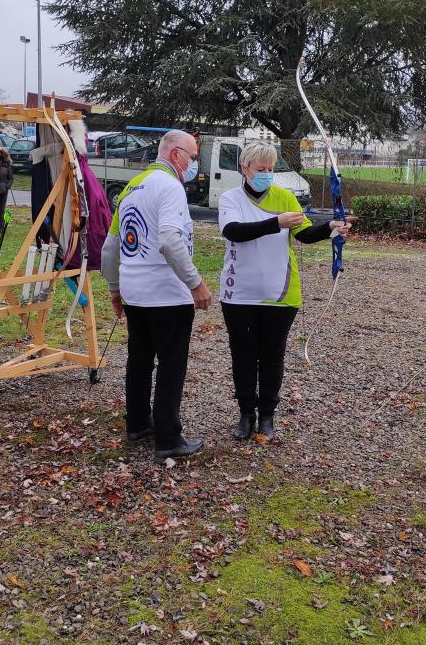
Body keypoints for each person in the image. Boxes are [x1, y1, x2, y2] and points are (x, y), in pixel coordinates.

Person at [219, 141, 353, 443]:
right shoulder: (230, 198)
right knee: (243, 355)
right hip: (238, 291)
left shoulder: (285, 198)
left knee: (271, 355)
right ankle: (245, 414)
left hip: (280, 292)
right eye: (260, 169)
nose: (267, 174)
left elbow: (303, 233)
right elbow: (234, 232)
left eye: (270, 169)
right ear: (245, 168)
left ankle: (267, 415)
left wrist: (330, 227)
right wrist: (274, 222)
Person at [101, 129, 212, 462]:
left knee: (139, 361)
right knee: (171, 365)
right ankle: (168, 437)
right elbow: (168, 239)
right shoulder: (170, 187)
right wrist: (195, 283)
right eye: (193, 157)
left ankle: (137, 423)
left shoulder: (133, 188)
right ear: (176, 154)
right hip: (167, 294)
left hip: (135, 292)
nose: (194, 164)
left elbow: (110, 247)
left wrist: (115, 287)